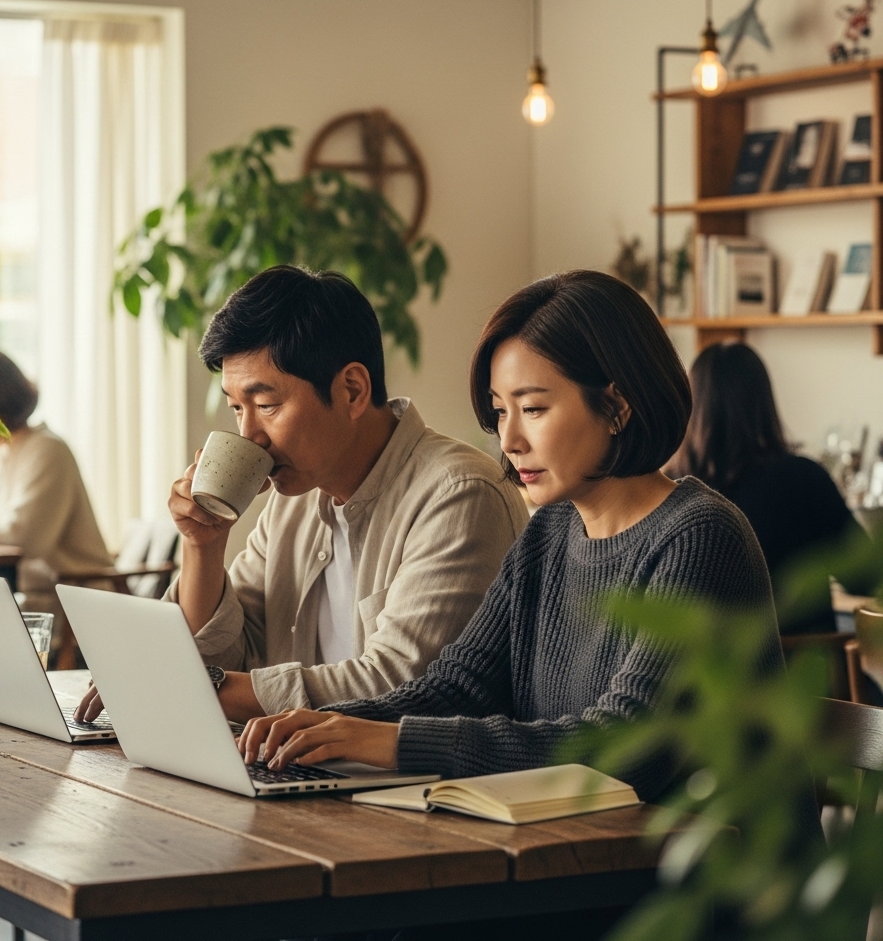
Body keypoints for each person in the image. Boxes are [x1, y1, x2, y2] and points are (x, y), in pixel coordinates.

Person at [235, 270, 782, 803]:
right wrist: (318, 726)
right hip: (576, 854)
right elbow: (458, 687)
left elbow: (630, 746)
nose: (510, 438)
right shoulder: (551, 531)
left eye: (534, 408)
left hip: (700, 878)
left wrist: (394, 741)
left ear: (616, 407)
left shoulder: (698, 535)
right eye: (500, 412)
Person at [77, 265, 527, 725]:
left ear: (352, 390)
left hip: (408, 787)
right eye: (237, 408)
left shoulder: (459, 494)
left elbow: (401, 686)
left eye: (267, 405)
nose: (249, 435)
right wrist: (202, 546)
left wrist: (179, 682)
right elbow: (232, 655)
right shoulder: (293, 501)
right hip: (292, 768)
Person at [667, 341, 864, 634]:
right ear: (763, 403)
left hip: (719, 674)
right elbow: (864, 575)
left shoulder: (671, 490)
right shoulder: (805, 478)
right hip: (809, 670)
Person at [0, 349, 113, 644]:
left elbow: (26, 536)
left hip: (69, 603)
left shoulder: (47, 449)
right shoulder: (0, 452)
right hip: (29, 597)